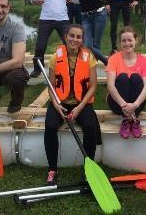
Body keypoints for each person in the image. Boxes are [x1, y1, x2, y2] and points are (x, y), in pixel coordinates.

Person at [44, 24, 101, 185]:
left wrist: (79, 107)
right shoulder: (55, 57)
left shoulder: (88, 58)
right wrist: (56, 105)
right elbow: (51, 86)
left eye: (78, 37)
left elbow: (93, 86)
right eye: (72, 36)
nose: (74, 40)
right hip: (60, 102)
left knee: (90, 127)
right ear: (65, 36)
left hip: (81, 102)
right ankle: (52, 169)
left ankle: (88, 167)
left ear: (82, 39)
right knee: (50, 125)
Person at [30, 0, 74, 78]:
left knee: (70, 45)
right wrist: (36, 0)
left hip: (63, 18)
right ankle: (37, 69)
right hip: (46, 18)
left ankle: (72, 67)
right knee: (40, 46)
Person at [73, 0, 119, 65]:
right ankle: (107, 62)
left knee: (96, 45)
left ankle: (93, 69)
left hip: (99, 15)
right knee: (87, 44)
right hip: (85, 17)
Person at [106, 26, 146, 139]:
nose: (127, 43)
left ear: (136, 41)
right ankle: (128, 120)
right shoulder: (114, 59)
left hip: (137, 105)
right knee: (123, 77)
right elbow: (110, 86)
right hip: (117, 104)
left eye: (130, 40)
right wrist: (124, 106)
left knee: (135, 77)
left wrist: (135, 105)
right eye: (123, 40)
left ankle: (131, 120)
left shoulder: (143, 61)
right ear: (120, 43)